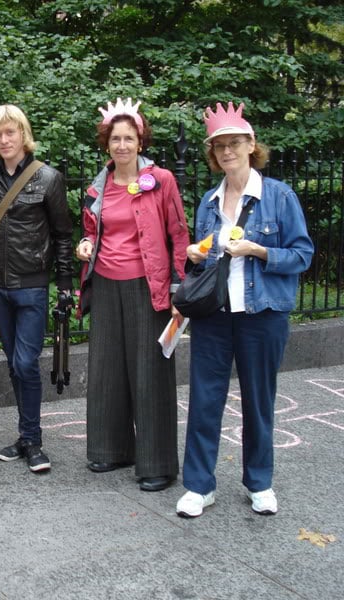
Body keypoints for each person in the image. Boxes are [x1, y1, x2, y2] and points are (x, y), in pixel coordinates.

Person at [175, 102, 313, 518]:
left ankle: (259, 483)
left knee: (258, 401)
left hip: (263, 315)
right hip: (214, 315)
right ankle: (199, 487)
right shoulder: (208, 201)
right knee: (204, 400)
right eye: (219, 146)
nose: (227, 152)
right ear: (213, 154)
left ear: (252, 145)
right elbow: (200, 257)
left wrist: (258, 250)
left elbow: (302, 254)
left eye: (234, 143)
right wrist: (194, 257)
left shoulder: (279, 196)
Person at [75, 98, 189, 492]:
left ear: (141, 142)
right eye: (115, 138)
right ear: (106, 143)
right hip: (106, 282)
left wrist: (178, 288)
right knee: (107, 368)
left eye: (129, 138)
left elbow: (178, 234)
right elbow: (92, 230)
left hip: (149, 286)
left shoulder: (162, 181)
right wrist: (85, 244)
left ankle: (157, 463)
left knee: (150, 371)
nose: (122, 145)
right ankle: (111, 449)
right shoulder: (97, 186)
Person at [0, 105, 74, 473]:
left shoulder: (48, 179)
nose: (4, 140)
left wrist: (66, 283)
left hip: (32, 285)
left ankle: (35, 440)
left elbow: (61, 235)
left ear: (23, 134)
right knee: (14, 363)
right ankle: (25, 437)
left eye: (10, 132)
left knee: (26, 362)